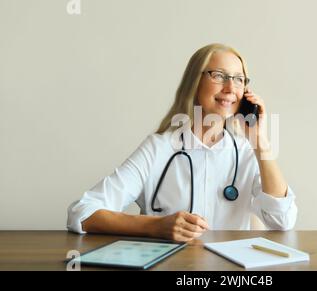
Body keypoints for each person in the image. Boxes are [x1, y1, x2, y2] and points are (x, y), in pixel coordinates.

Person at [67, 43, 297, 242]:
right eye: (219, 76)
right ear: (194, 83)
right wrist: (154, 226)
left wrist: (260, 142)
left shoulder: (247, 152)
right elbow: (82, 213)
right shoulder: (159, 148)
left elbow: (282, 220)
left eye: (238, 79)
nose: (230, 88)